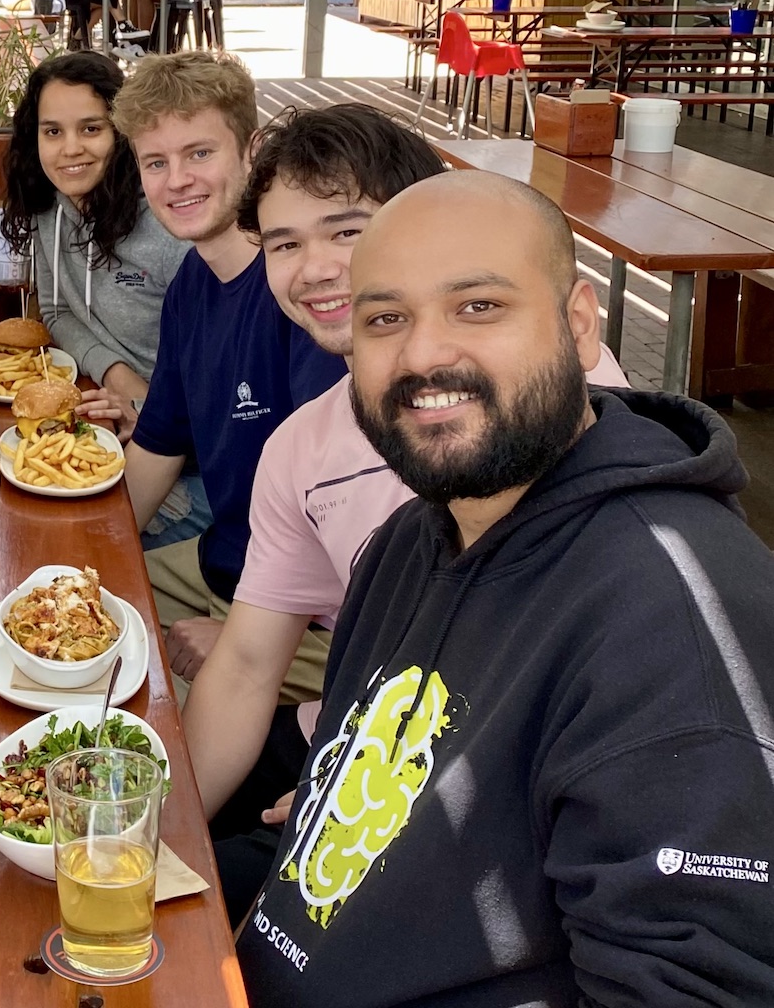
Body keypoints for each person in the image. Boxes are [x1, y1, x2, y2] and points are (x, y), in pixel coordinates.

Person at [238, 169, 774, 1005]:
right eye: (384, 319)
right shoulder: (415, 536)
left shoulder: (670, 618)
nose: (422, 355)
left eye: (477, 307)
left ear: (578, 323)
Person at [186, 103, 629, 919]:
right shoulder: (301, 447)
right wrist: (158, 841)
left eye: (344, 230)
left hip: (488, 802)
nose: (314, 267)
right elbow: (248, 666)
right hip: (351, 739)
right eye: (283, 243)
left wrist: (367, 806)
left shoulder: (537, 404)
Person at [114, 51, 344, 697]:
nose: (176, 180)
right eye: (155, 162)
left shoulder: (300, 292)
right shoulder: (191, 284)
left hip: (315, 616)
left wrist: (243, 635)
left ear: (251, 149)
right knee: (64, 607)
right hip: (225, 560)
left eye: (198, 153)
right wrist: (83, 565)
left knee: (146, 726)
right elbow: (158, 445)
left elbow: (340, 512)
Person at [0, 51, 200, 546]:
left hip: (190, 455)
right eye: (52, 132)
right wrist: (116, 372)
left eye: (91, 129)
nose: (70, 150)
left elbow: (213, 377)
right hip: (105, 412)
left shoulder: (172, 226)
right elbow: (56, 310)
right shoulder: (50, 208)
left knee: (62, 545)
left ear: (122, 134)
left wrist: (149, 404)